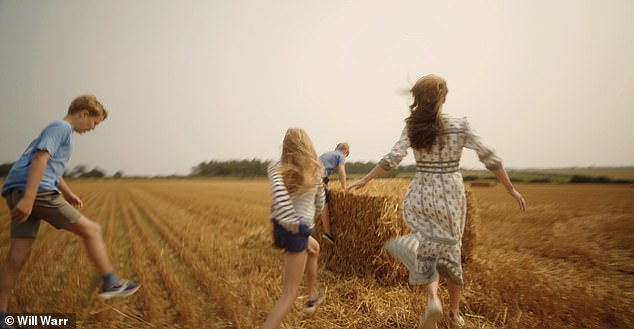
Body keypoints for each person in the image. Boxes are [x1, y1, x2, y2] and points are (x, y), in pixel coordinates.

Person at [347, 75, 526, 329]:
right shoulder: (460, 125)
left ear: (417, 99)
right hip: (450, 193)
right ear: (443, 98)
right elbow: (490, 157)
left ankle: (432, 299)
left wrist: (365, 180)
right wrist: (510, 188)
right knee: (451, 250)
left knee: (427, 248)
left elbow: (392, 157)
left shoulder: (412, 126)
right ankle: (454, 313)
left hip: (422, 190)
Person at [0, 95, 139, 327]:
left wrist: (67, 192)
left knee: (17, 258)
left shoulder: (56, 131)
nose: (93, 128)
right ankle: (110, 282)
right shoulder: (61, 128)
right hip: (37, 192)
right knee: (92, 230)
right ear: (83, 113)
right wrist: (29, 197)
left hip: (18, 190)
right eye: (94, 123)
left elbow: (51, 167)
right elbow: (40, 160)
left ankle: (2, 315)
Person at [263, 128, 326, 329]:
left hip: (280, 227)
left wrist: (287, 217)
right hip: (296, 229)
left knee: (314, 248)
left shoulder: (275, 167)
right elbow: (321, 202)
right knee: (289, 293)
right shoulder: (315, 169)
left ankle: (312, 296)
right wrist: (297, 220)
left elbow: (278, 192)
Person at [318, 143, 349, 244]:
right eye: (346, 156)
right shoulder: (340, 155)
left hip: (311, 175)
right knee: (324, 203)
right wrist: (344, 187)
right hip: (318, 177)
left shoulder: (327, 154)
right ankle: (327, 233)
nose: (345, 158)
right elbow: (341, 171)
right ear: (345, 151)